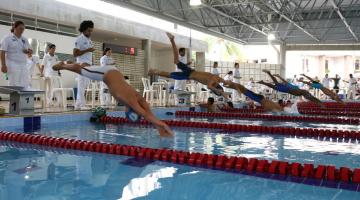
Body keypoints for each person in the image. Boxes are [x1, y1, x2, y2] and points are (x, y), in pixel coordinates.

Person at [52, 61, 173, 137]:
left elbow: (146, 110)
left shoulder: (136, 96)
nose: (125, 112)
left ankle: (73, 63)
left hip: (114, 73)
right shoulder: (128, 99)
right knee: (81, 70)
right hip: (107, 74)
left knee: (87, 68)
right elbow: (144, 113)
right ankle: (63, 65)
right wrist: (162, 124)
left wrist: (159, 127)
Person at [148, 32, 228, 99]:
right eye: (215, 91)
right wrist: (220, 92)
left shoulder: (218, 78)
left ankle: (172, 40)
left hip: (190, 71)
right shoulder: (212, 82)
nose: (213, 91)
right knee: (169, 75)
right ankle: (154, 72)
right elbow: (209, 87)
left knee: (176, 61)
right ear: (216, 88)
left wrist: (223, 88)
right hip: (187, 75)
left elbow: (225, 82)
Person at [257, 70, 323, 107]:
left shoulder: (296, 88)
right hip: (287, 89)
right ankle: (264, 81)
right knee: (274, 86)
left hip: (288, 89)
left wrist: (279, 76)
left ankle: (268, 74)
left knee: (276, 84)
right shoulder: (302, 92)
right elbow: (311, 98)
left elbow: (284, 81)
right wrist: (319, 103)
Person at [0, 21, 32, 87]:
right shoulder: (7, 38)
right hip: (12, 64)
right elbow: (2, 52)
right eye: (20, 28)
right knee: (14, 84)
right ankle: (13, 97)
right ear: (14, 27)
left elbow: (30, 51)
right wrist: (3, 65)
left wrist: (28, 51)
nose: (22, 30)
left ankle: (22, 97)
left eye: (23, 29)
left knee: (25, 84)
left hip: (23, 64)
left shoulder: (24, 39)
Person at [74, 20, 95, 110]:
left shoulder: (89, 40)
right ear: (83, 29)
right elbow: (75, 53)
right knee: (81, 85)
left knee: (85, 85)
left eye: (91, 30)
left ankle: (78, 104)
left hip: (88, 65)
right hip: (82, 64)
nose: (90, 32)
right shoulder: (79, 39)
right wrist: (87, 50)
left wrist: (92, 63)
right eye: (88, 30)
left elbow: (90, 54)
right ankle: (82, 104)